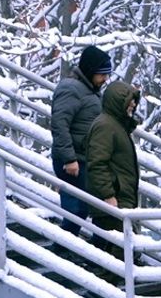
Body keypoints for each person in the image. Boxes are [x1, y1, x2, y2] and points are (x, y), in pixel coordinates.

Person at [50, 46, 112, 236]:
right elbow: (59, 124)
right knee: (76, 209)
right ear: (90, 71)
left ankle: (65, 249)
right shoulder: (72, 89)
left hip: (84, 158)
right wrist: (69, 159)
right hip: (73, 160)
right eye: (102, 74)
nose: (105, 79)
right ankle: (62, 251)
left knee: (83, 208)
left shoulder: (89, 90)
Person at [86, 81, 141, 258]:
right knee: (117, 252)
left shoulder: (115, 126)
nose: (133, 104)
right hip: (114, 199)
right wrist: (108, 195)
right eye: (129, 100)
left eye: (134, 100)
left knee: (119, 250)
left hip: (121, 198)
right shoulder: (106, 126)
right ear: (118, 101)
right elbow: (97, 163)